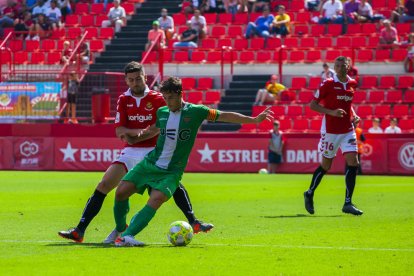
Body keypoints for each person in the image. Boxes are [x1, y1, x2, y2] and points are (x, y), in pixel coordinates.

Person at [58, 62, 214, 243]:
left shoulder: (158, 98)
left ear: (144, 77)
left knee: (171, 184)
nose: (135, 83)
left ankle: (193, 221)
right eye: (131, 80)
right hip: (130, 151)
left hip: (153, 150)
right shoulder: (124, 99)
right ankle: (80, 230)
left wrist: (138, 132)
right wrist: (143, 132)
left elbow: (161, 126)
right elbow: (120, 131)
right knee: (104, 185)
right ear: (126, 80)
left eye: (138, 79)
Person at [113, 76, 274, 247]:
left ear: (180, 94)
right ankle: (120, 230)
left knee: (155, 199)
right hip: (150, 164)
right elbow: (153, 130)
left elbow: (224, 115)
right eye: (165, 98)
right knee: (120, 193)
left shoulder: (196, 111)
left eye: (171, 98)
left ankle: (127, 236)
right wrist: (135, 138)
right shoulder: (162, 112)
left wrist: (254, 120)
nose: (168, 102)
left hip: (172, 171)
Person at [303, 56, 363, 216]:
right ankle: (309, 193)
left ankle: (348, 203)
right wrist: (331, 112)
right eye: (336, 65)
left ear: (348, 66)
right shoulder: (328, 83)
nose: (339, 67)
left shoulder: (352, 83)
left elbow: (348, 105)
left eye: (342, 65)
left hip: (347, 130)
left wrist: (354, 115)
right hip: (330, 131)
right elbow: (313, 105)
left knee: (353, 162)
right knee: (326, 166)